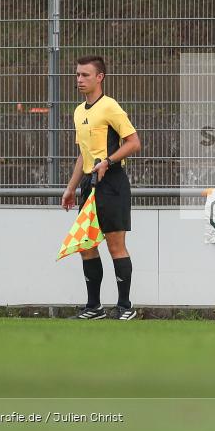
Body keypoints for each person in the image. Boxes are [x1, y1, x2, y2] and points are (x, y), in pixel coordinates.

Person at [61, 56, 141, 320]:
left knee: (115, 245)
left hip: (112, 182)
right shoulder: (78, 111)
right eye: (77, 75)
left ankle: (125, 306)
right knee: (86, 245)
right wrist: (71, 187)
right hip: (88, 184)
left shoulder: (110, 107)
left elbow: (133, 143)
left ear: (99, 77)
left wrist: (108, 161)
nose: (79, 80)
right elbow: (84, 154)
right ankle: (94, 307)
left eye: (85, 75)